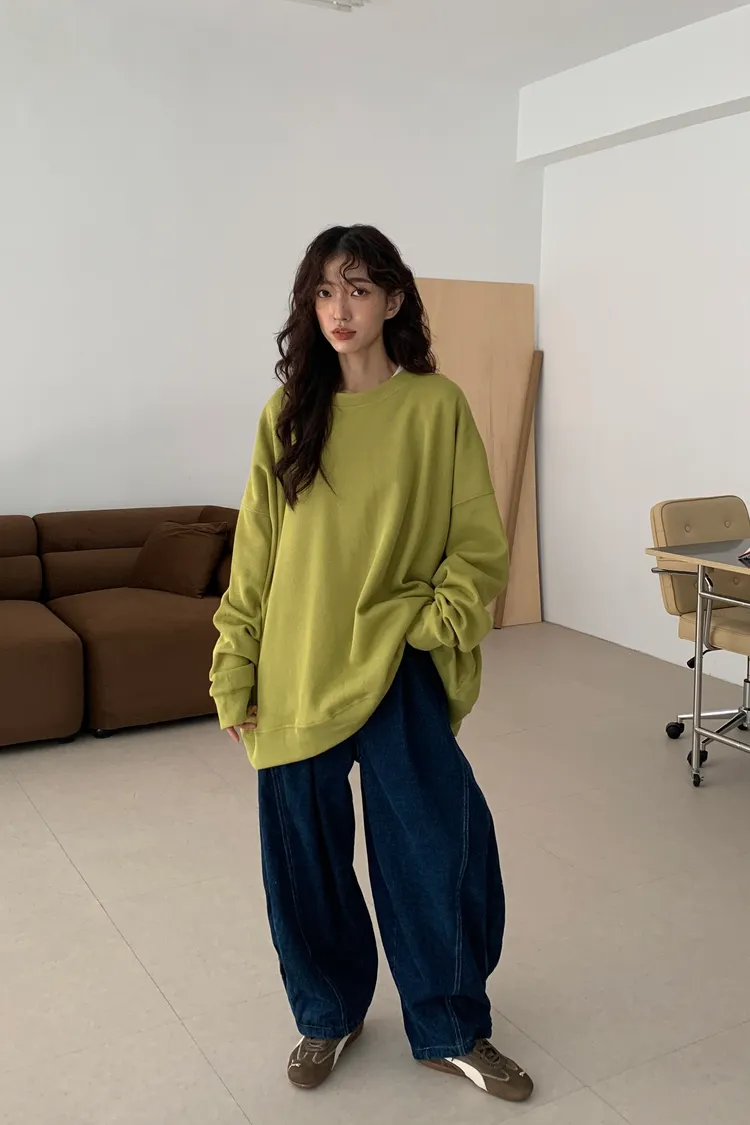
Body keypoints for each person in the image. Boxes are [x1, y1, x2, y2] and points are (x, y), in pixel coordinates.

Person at [209, 224, 533, 1103]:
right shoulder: (288, 413)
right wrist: (235, 666)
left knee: (439, 850)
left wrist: (435, 619)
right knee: (304, 862)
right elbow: (255, 557)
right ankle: (328, 1012)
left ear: (393, 298)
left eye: (357, 288)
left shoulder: (436, 406)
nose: (339, 308)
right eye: (323, 291)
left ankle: (449, 1024)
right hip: (296, 668)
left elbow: (477, 539)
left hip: (399, 666)